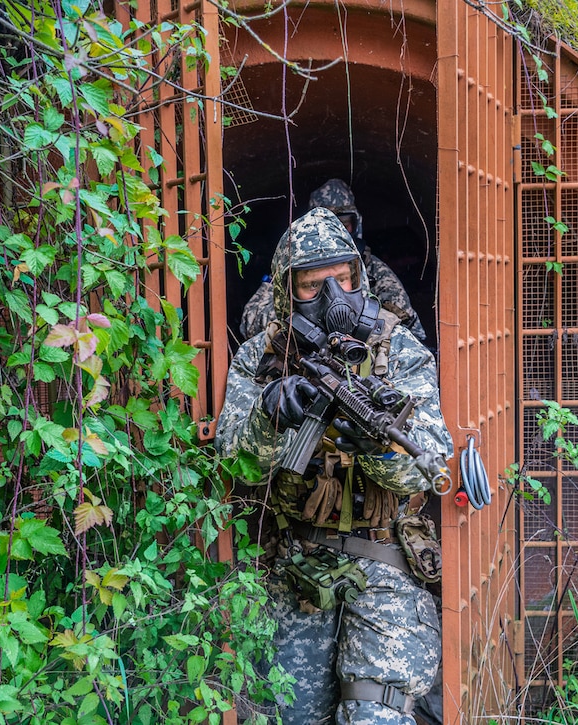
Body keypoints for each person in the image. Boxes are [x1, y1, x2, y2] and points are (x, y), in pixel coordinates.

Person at [216, 208, 452, 725]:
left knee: (377, 715)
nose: (333, 298)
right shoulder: (262, 354)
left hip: (386, 560)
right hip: (295, 559)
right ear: (285, 288)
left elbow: (427, 464)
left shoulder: (398, 347)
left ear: (358, 275)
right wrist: (270, 416)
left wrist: (377, 447)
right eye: (311, 284)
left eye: (342, 279)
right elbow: (235, 461)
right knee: (286, 715)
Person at [239, 179, 427, 342]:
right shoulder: (291, 270)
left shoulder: (372, 269)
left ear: (355, 225)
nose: (333, 234)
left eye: (343, 225)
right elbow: (251, 325)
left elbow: (409, 331)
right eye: (312, 282)